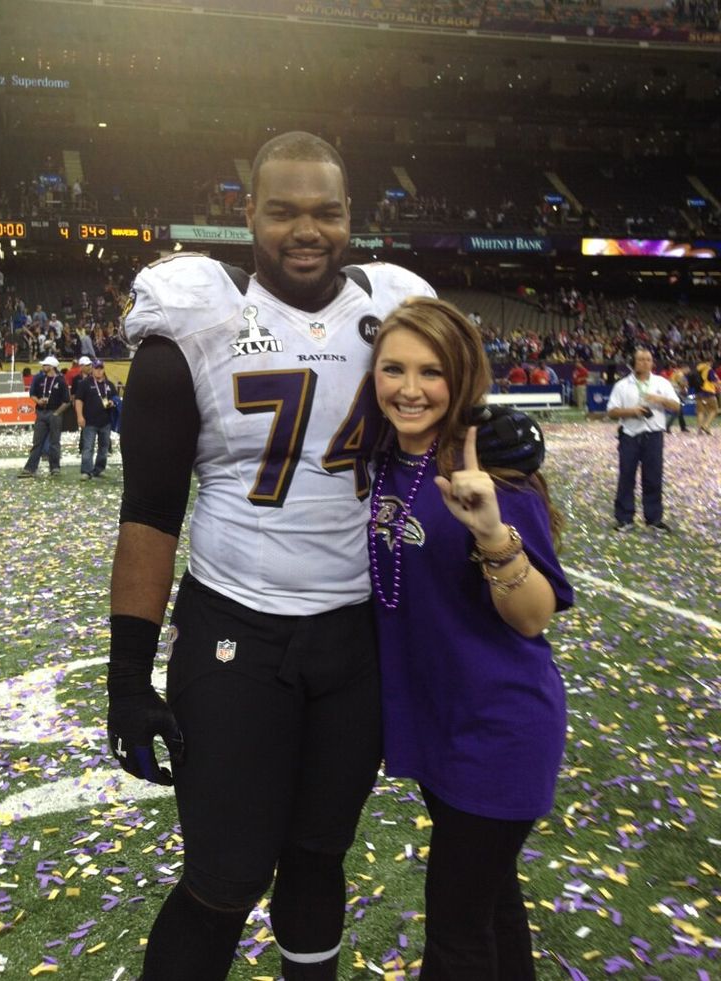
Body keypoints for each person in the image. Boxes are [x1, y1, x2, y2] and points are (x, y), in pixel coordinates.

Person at [106, 131, 437, 981]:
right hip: (236, 633)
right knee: (225, 875)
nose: (306, 230)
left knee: (320, 857)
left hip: (351, 640)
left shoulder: (393, 311)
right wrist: (126, 673)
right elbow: (149, 510)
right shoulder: (198, 316)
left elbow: (449, 416)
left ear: (351, 218)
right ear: (246, 213)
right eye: (283, 210)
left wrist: (504, 434)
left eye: (326, 212)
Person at [368, 297, 573, 980]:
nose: (409, 387)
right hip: (437, 725)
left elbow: (533, 615)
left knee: (456, 933)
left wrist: (490, 530)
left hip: (500, 728)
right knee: (492, 907)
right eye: (392, 368)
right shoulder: (385, 459)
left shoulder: (490, 473)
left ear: (462, 377)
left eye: (431, 371)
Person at [606, 348, 679, 533]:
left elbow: (677, 407)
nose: (645, 363)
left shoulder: (662, 383)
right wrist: (632, 411)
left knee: (653, 478)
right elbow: (612, 411)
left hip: (653, 436)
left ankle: (654, 520)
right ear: (634, 362)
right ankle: (624, 519)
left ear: (652, 363)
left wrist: (660, 399)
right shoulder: (622, 385)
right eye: (641, 359)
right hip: (629, 436)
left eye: (648, 359)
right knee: (626, 477)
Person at [18, 355, 70, 477]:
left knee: (54, 442)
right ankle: (30, 468)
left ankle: (55, 467)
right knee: (37, 442)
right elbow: (32, 394)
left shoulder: (61, 381)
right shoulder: (40, 379)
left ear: (52, 367)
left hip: (54, 412)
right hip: (41, 412)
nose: (43, 366)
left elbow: (67, 401)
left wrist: (57, 413)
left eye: (45, 365)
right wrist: (38, 401)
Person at [74, 359, 117, 480]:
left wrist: (113, 402)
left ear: (103, 369)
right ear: (92, 369)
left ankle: (99, 469)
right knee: (88, 447)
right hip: (89, 421)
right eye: (96, 368)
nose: (98, 371)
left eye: (101, 368)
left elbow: (115, 398)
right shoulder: (85, 384)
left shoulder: (109, 385)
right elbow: (78, 400)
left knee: (104, 448)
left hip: (105, 421)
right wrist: (80, 416)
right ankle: (86, 471)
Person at [693, 359, 719, 435]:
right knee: (714, 410)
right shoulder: (709, 370)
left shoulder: (698, 369)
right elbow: (714, 381)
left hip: (698, 392)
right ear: (709, 362)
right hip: (708, 392)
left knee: (700, 411)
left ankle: (699, 429)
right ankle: (706, 425)